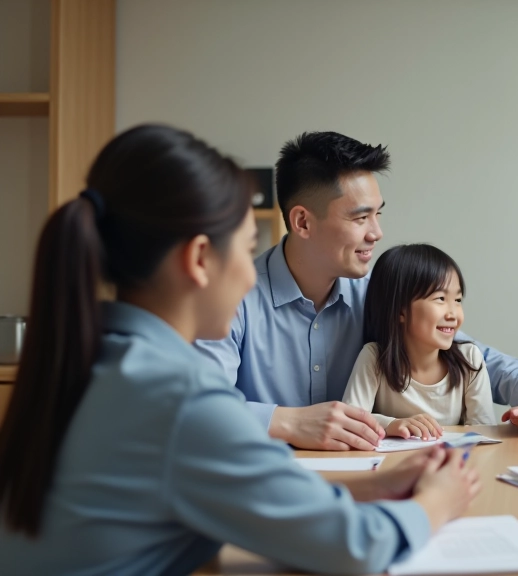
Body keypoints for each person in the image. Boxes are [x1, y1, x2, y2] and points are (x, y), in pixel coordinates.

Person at [0, 125, 480, 575]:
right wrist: (438, 501)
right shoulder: (179, 400)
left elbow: (218, 486)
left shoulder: (100, 358)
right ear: (200, 259)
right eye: (249, 248)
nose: (254, 275)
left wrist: (373, 486)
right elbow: (357, 548)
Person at [196, 132, 518, 451]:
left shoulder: (375, 293)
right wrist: (288, 423)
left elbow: (463, 351)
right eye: (360, 218)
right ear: (302, 222)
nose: (376, 233)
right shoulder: (234, 298)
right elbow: (197, 405)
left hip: (369, 480)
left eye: (378, 214)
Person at [344, 244, 498, 438]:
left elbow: (483, 430)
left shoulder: (469, 360)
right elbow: (351, 420)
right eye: (441, 298)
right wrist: (392, 424)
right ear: (400, 310)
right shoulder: (374, 357)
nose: (453, 314)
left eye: (458, 300)